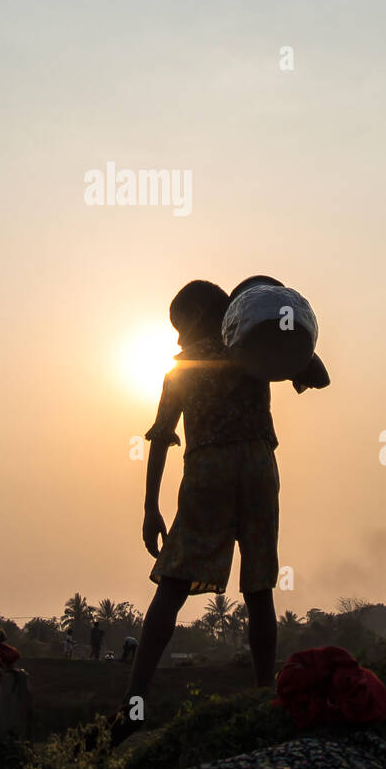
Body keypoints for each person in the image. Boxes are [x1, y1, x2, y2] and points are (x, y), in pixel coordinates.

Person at [109, 279, 283, 743]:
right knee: (260, 584)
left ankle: (135, 706)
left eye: (180, 327)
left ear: (199, 318)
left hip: (209, 470)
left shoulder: (182, 372)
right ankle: (264, 693)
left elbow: (161, 441)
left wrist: (150, 507)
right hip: (258, 465)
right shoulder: (250, 353)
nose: (178, 339)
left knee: (171, 585)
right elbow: (313, 372)